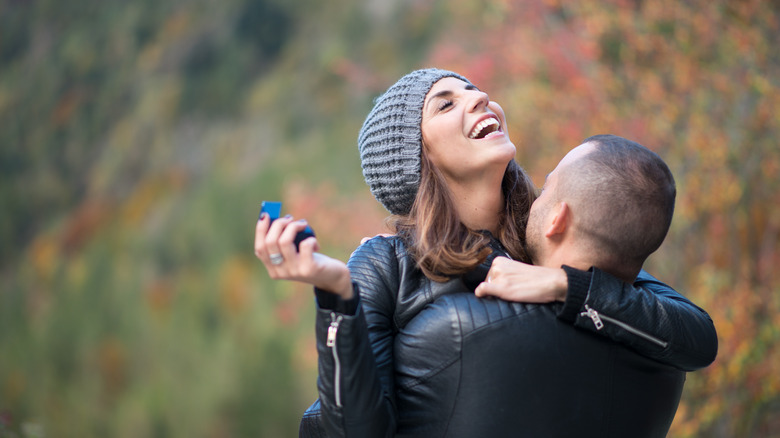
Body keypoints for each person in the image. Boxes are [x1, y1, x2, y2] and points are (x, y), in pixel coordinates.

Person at [254, 69, 717, 437]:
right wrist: (336, 294)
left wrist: (565, 284)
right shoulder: (385, 267)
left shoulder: (556, 232)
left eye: (473, 89)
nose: (479, 98)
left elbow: (694, 338)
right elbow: (357, 431)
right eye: (446, 104)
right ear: (420, 157)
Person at [394, 134, 705, 437]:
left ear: (557, 219)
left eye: (545, 189)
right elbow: (702, 337)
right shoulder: (665, 353)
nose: (534, 198)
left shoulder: (459, 328)